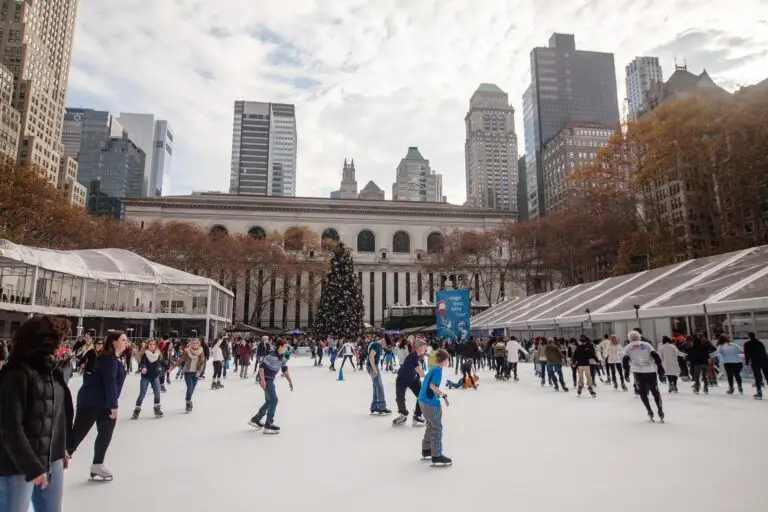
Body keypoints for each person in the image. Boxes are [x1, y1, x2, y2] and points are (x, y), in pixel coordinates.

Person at [0, 316, 74, 512]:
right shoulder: (16, 375)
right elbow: (9, 427)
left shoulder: (53, 372)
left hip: (52, 460)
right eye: (59, 339)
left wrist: (61, 447)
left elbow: (57, 415)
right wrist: (31, 466)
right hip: (17, 465)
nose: (62, 345)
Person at [68, 330, 128, 481]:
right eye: (123, 339)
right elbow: (110, 383)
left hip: (104, 403)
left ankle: (97, 464)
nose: (126, 343)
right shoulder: (108, 359)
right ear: (113, 342)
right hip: (93, 402)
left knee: (105, 433)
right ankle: (58, 460)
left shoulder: (115, 359)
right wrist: (114, 406)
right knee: (78, 433)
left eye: (126, 340)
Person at [249, 339, 294, 433]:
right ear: (280, 347)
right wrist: (262, 380)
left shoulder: (282, 358)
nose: (286, 348)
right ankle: (268, 424)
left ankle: (256, 418)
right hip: (266, 379)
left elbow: (285, 370)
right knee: (274, 400)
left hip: (270, 380)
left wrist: (290, 381)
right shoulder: (271, 356)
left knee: (269, 401)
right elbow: (261, 367)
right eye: (285, 346)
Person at [418, 349, 451, 467]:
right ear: (444, 360)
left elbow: (425, 384)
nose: (448, 361)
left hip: (422, 400)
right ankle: (436, 456)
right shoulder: (438, 370)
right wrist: (444, 395)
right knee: (436, 427)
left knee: (430, 425)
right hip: (430, 403)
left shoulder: (433, 369)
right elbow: (432, 386)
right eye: (447, 359)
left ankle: (427, 449)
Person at [622, 330, 664, 422]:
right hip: (650, 370)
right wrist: (660, 366)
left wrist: (626, 371)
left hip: (638, 372)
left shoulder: (628, 347)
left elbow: (625, 359)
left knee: (642, 392)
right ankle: (660, 410)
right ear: (639, 337)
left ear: (629, 338)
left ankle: (649, 410)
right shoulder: (646, 345)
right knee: (655, 391)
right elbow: (655, 355)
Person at [393, 339, 427, 426]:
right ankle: (403, 415)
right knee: (400, 398)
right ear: (419, 347)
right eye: (424, 347)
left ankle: (417, 415)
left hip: (413, 379)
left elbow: (416, 368)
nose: (425, 348)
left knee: (421, 396)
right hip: (402, 379)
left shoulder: (419, 356)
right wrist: (425, 376)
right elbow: (417, 368)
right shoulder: (413, 355)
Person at [131, 339, 164, 419]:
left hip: (155, 376)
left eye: (153, 344)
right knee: (142, 393)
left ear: (156, 345)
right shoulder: (145, 354)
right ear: (147, 346)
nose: (152, 346)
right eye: (150, 345)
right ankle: (137, 410)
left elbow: (160, 363)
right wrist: (143, 367)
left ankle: (157, 408)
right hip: (146, 377)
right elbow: (143, 362)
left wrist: (165, 366)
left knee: (157, 392)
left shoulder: (158, 354)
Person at [174, 339, 206, 412]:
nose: (195, 344)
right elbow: (181, 360)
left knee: (192, 389)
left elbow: (202, 363)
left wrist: (199, 371)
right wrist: (173, 367)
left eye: (196, 343)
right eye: (193, 343)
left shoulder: (201, 352)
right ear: (191, 344)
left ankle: (188, 399)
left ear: (199, 344)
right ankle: (188, 403)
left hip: (196, 373)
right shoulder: (187, 351)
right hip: (188, 372)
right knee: (190, 388)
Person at [366, 336, 391, 415]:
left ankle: (374, 407)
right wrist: (374, 369)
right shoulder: (377, 345)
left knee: (376, 386)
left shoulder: (377, 345)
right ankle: (381, 407)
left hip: (372, 366)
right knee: (380, 386)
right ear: (383, 340)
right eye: (386, 344)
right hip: (372, 367)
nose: (385, 347)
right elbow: (371, 356)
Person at [744, 332, 768, 399]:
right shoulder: (760, 343)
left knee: (757, 377)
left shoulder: (747, 344)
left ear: (748, 336)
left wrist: (746, 363)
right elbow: (764, 352)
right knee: (767, 376)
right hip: (764, 361)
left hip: (755, 362)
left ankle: (759, 392)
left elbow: (747, 354)